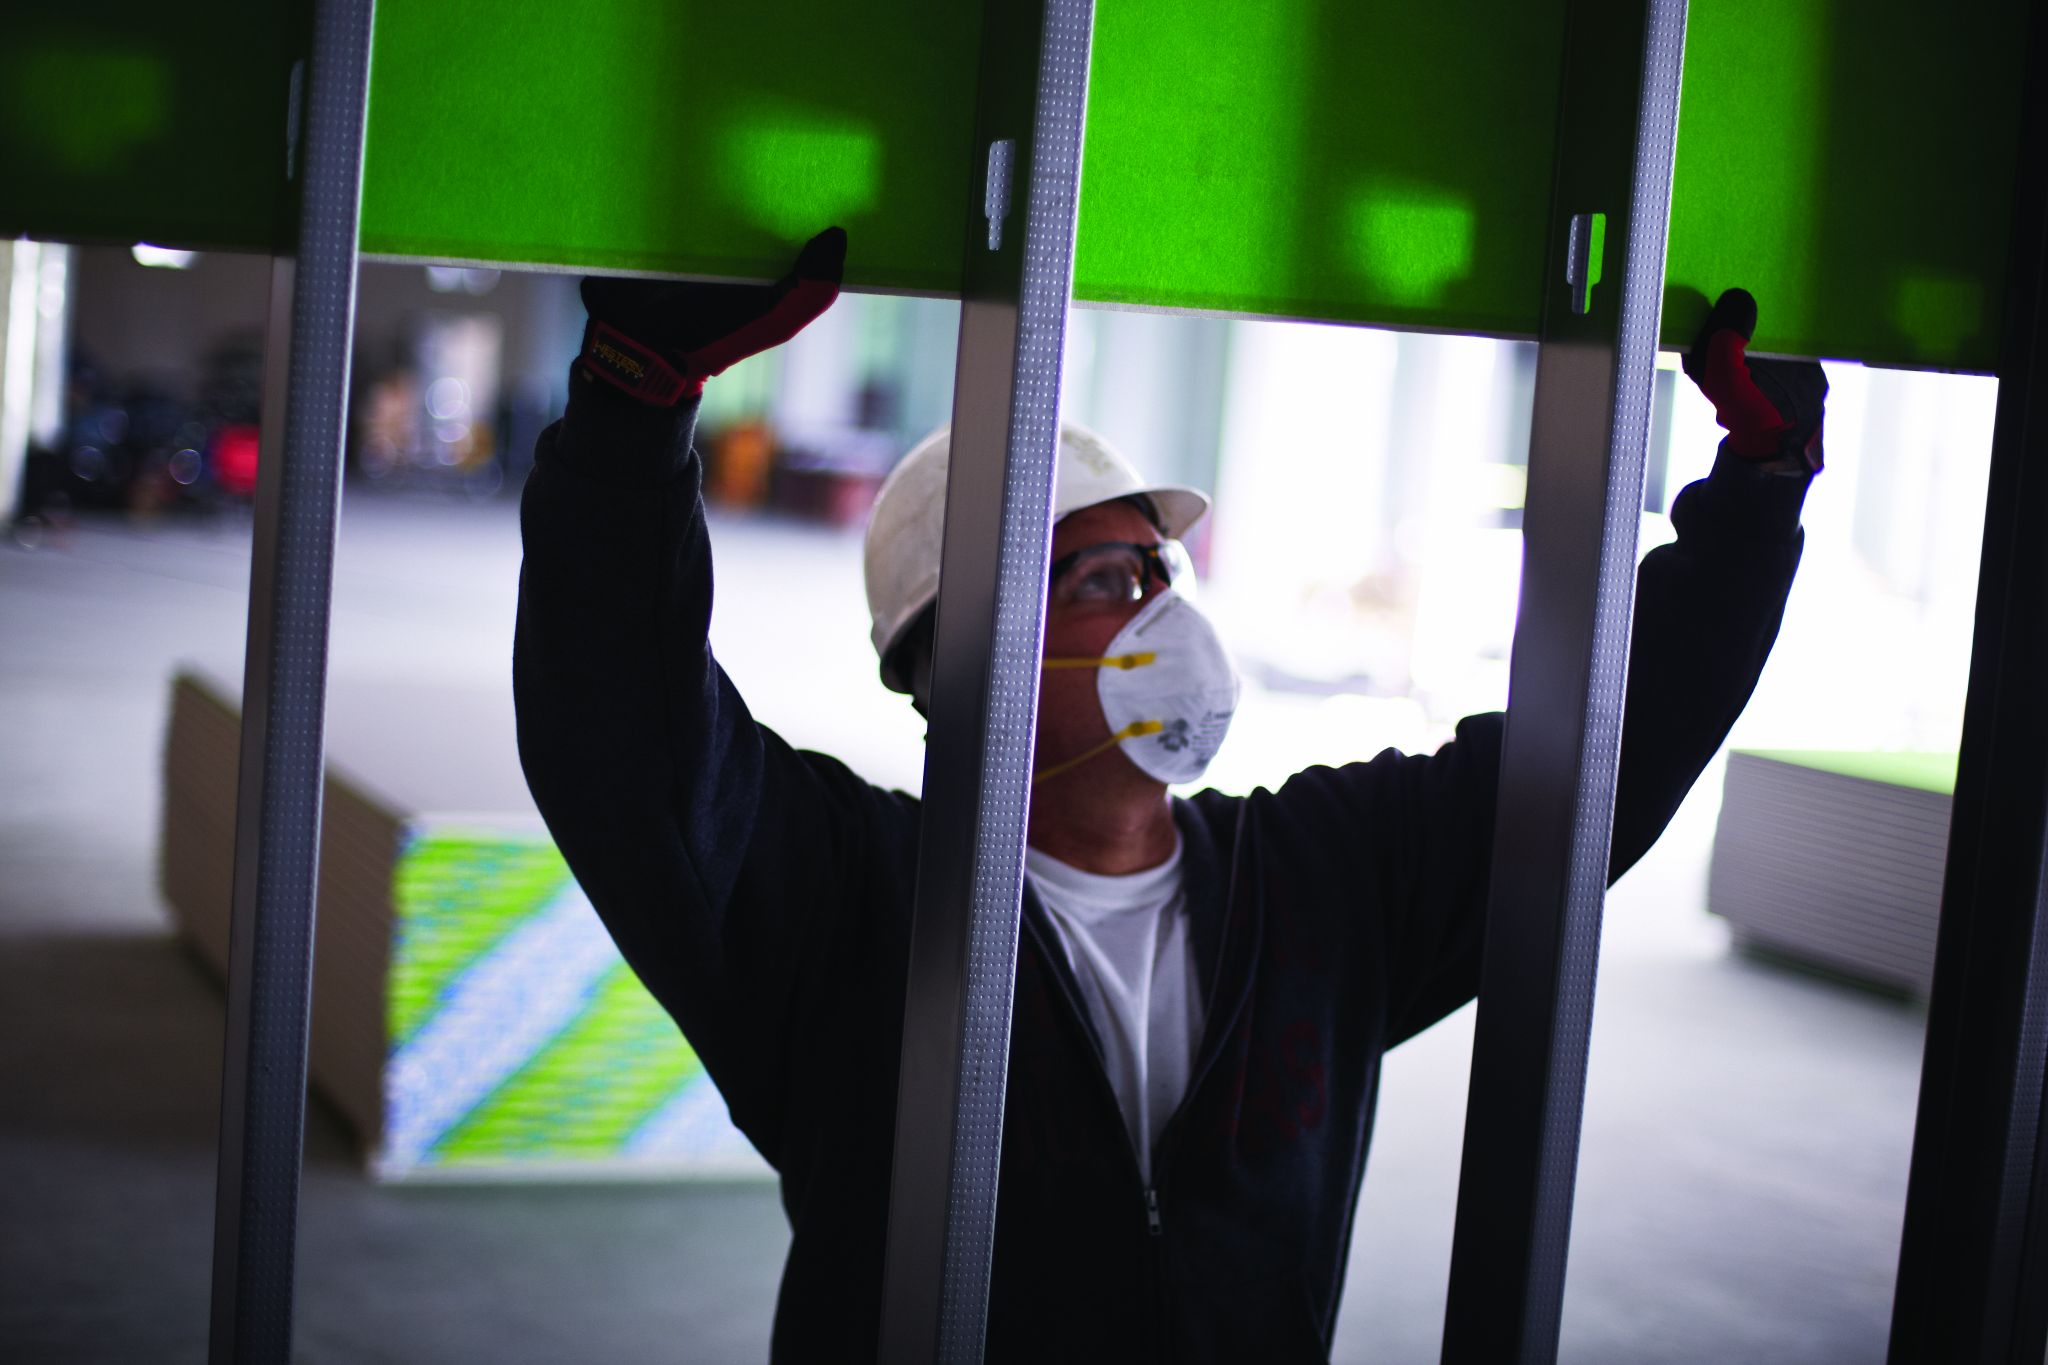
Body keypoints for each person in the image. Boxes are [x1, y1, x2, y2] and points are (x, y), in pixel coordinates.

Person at [513, 228, 1824, 1361]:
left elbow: (1596, 765)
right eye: (1095, 581)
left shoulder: (1321, 883)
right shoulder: (845, 908)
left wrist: (1758, 501)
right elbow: (618, 736)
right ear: (953, 658)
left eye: (1156, 572)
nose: (1155, 612)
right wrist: (633, 408)